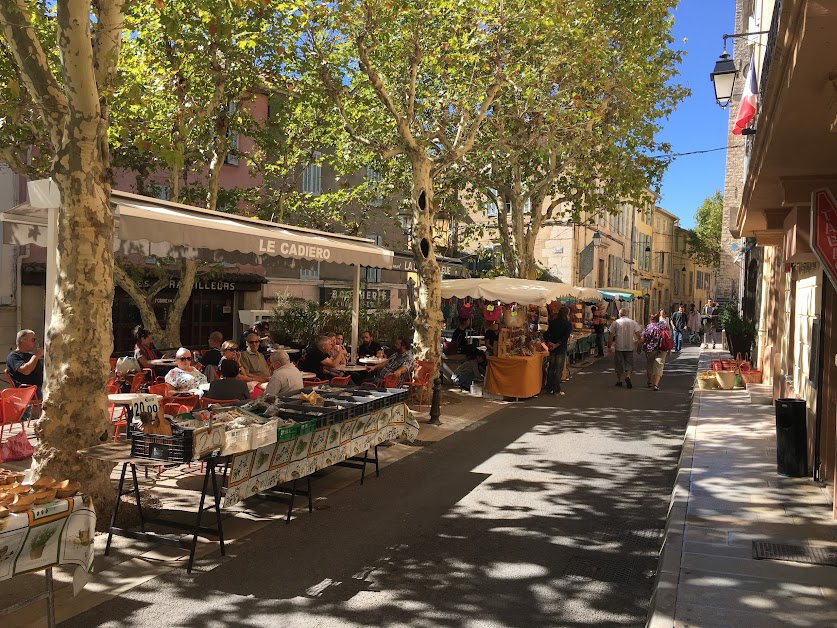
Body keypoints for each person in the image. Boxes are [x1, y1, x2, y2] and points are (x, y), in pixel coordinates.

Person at [607, 308, 642, 389]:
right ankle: (628, 376)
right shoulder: (632, 322)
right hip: (629, 346)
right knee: (629, 363)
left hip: (619, 346)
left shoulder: (616, 322)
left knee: (619, 363)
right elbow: (638, 334)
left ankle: (619, 380)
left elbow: (611, 335)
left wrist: (609, 346)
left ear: (620, 314)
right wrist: (639, 344)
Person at [6, 329, 44, 400]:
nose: (35, 342)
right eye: (33, 339)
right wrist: (36, 356)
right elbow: (26, 371)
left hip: (39, 387)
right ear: (23, 341)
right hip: (28, 391)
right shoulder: (13, 356)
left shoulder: (31, 355)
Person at [543, 306, 572, 395]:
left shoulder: (552, 322)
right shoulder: (567, 324)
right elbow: (565, 337)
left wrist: (549, 342)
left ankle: (549, 388)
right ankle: (556, 389)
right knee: (558, 369)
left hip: (552, 348)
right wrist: (556, 345)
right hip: (560, 348)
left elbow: (546, 333)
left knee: (551, 368)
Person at [641, 314, 669, 391]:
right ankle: (655, 384)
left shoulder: (648, 327)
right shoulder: (662, 327)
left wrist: (639, 347)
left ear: (650, 319)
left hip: (650, 349)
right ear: (658, 319)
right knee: (659, 366)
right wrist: (669, 350)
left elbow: (643, 339)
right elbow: (668, 338)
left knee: (650, 365)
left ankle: (649, 381)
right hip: (662, 349)